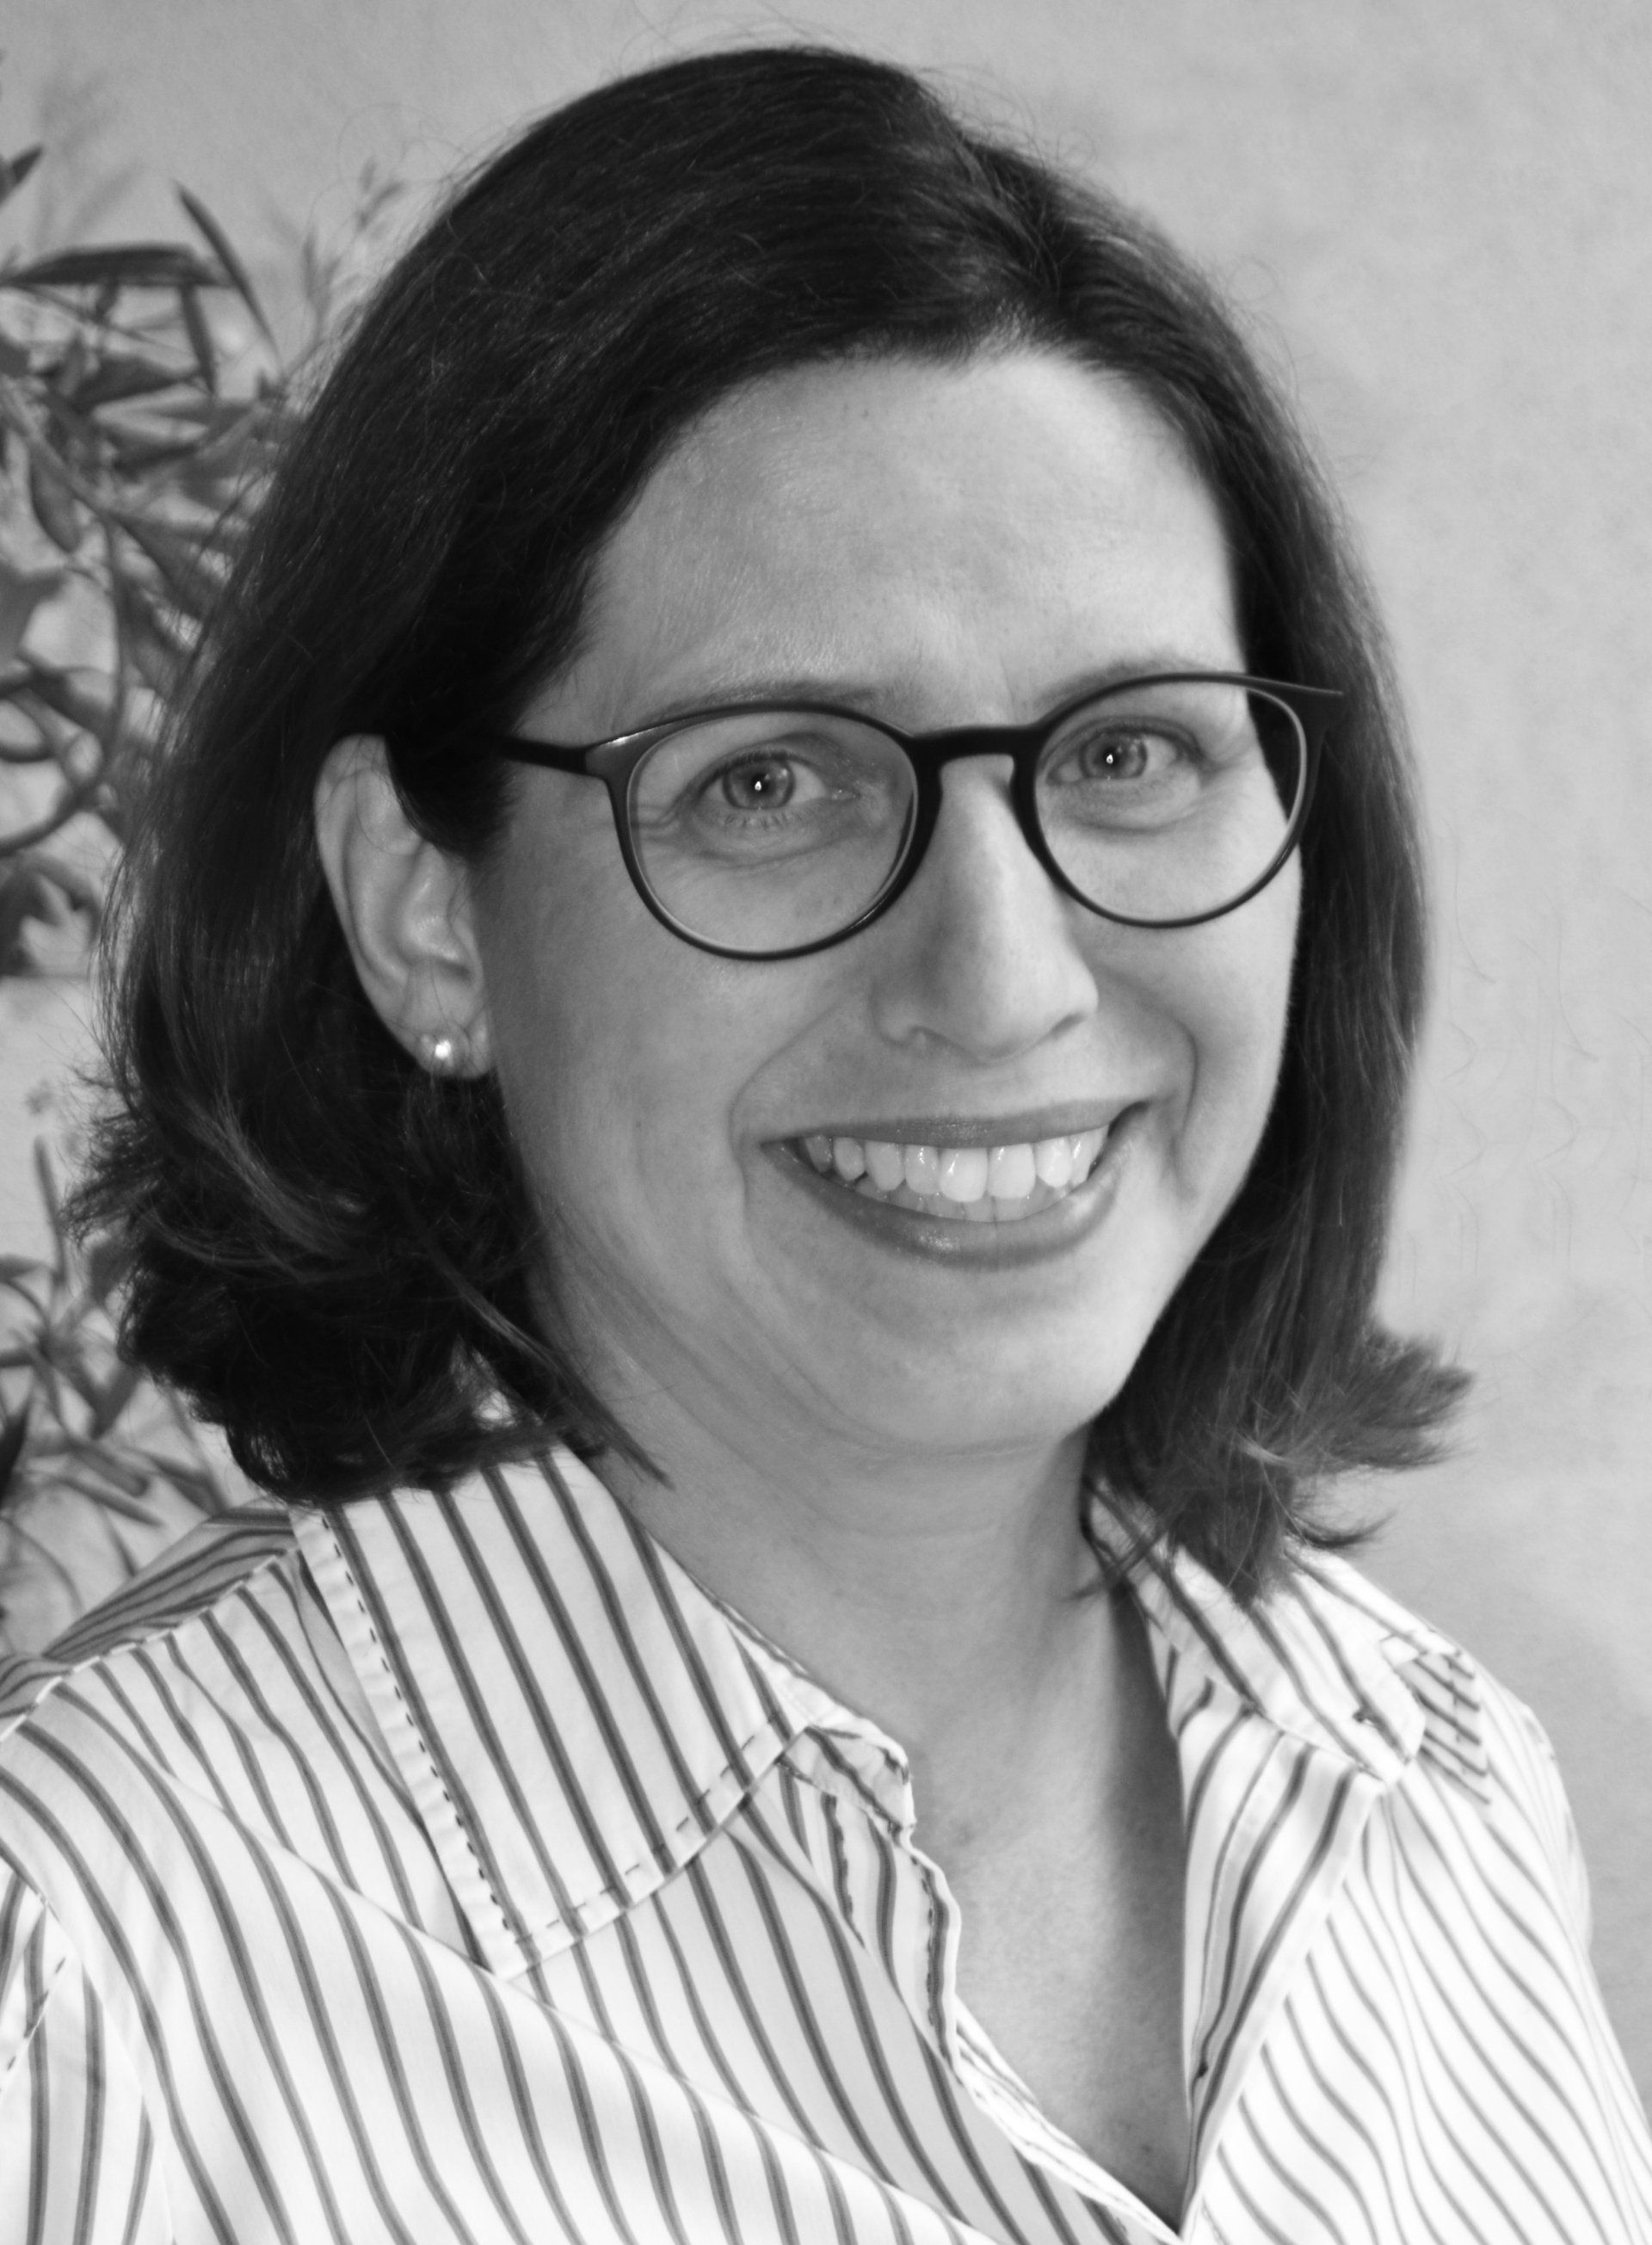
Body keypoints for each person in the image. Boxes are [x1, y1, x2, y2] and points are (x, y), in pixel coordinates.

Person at [0, 43, 1646, 2245]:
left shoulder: (1434, 1798)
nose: (1003, 978)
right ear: (424, 909)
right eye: (770, 782)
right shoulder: (94, 1982)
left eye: (1131, 753)